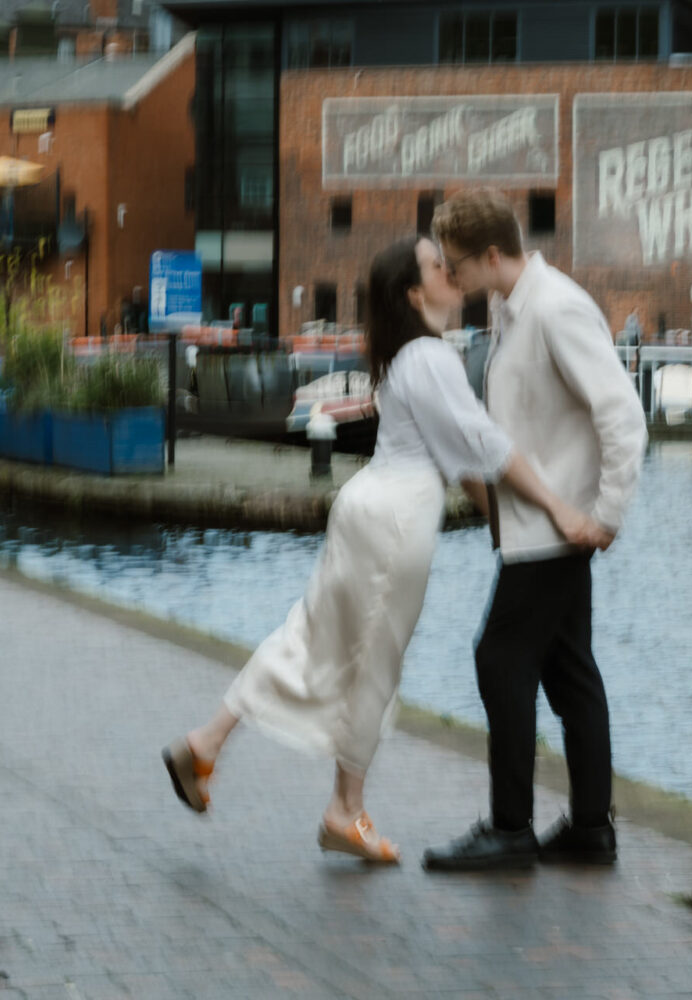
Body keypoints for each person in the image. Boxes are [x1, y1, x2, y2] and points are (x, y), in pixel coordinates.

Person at [162, 235, 609, 863]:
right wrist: (557, 509)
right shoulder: (430, 357)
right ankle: (343, 810)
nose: (451, 272)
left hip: (369, 506)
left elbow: (462, 460)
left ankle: (205, 744)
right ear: (413, 292)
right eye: (436, 267)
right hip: (396, 522)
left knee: (309, 637)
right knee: (373, 663)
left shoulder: (409, 357)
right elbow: (487, 446)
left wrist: (500, 531)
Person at [422, 189, 648, 872]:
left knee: (500, 659)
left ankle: (512, 828)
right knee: (569, 669)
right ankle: (588, 827)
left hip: (556, 529)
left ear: (492, 255)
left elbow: (622, 416)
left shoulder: (555, 309)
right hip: (537, 526)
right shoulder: (514, 311)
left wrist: (606, 515)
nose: (450, 278)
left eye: (457, 265)